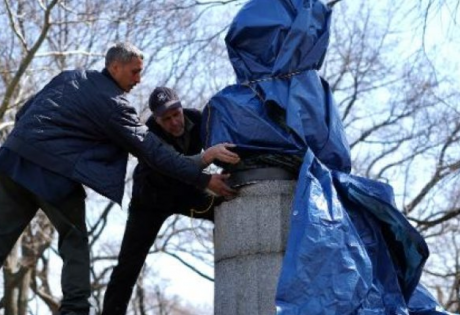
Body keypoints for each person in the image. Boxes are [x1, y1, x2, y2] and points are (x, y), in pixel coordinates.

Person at [0, 43, 235, 315]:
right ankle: (75, 311)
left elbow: (23, 113)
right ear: (115, 67)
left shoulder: (70, 76)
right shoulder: (114, 104)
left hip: (13, 158)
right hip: (55, 172)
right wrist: (204, 180)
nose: (139, 79)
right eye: (134, 72)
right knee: (74, 240)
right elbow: (154, 153)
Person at [101, 87, 240, 315]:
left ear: (181, 107)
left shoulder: (197, 118)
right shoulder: (147, 135)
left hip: (186, 192)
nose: (175, 122)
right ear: (157, 119)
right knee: (129, 264)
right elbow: (174, 165)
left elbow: (223, 149)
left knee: (229, 209)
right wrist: (207, 170)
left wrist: (231, 171)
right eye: (166, 119)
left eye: (176, 114)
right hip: (151, 199)